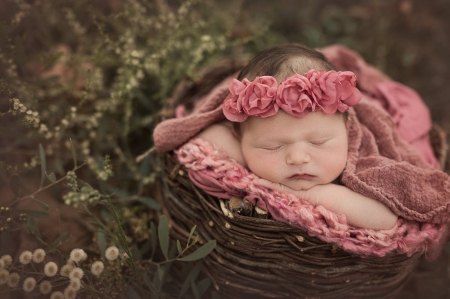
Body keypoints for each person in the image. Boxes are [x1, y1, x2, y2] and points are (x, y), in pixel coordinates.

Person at [196, 44, 398, 230]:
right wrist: (243, 156)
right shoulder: (246, 149)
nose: (298, 158)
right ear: (239, 140)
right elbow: (205, 136)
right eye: (272, 146)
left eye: (317, 142)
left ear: (347, 130)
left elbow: (386, 220)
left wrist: (313, 195)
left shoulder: (362, 164)